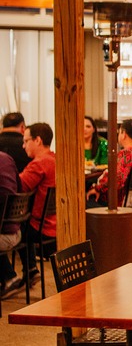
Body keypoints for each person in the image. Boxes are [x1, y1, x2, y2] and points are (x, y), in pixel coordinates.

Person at [18, 122, 57, 284]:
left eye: (26, 141)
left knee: (12, 228)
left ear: (38, 140)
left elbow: (17, 186)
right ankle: (31, 269)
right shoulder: (55, 159)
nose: (23, 146)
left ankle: (26, 270)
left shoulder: (39, 164)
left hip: (42, 227)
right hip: (56, 223)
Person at [87, 119, 132, 208]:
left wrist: (97, 189)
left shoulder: (126, 154)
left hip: (116, 201)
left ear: (123, 134)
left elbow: (117, 180)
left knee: (85, 200)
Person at [0, 151, 24, 297]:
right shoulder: (7, 157)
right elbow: (20, 189)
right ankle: (9, 276)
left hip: (4, 235)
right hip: (17, 230)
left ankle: (9, 276)